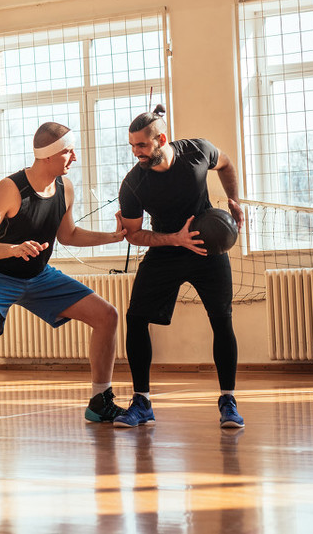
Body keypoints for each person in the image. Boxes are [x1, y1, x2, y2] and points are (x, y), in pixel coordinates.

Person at [0, 122, 127, 438]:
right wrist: (13, 248)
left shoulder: (65, 188)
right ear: (48, 156)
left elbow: (69, 234)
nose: (74, 157)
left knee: (107, 315)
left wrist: (113, 236)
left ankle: (100, 401)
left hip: (38, 276)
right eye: (68, 151)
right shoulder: (9, 189)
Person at [113, 104, 245, 429]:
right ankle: (141, 402)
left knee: (222, 319)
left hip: (207, 249)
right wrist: (175, 239)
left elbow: (226, 164)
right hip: (167, 247)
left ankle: (228, 399)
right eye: (132, 147)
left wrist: (234, 200)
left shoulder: (198, 152)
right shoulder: (133, 184)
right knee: (136, 318)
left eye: (142, 146)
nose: (136, 153)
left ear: (161, 139)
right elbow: (134, 235)